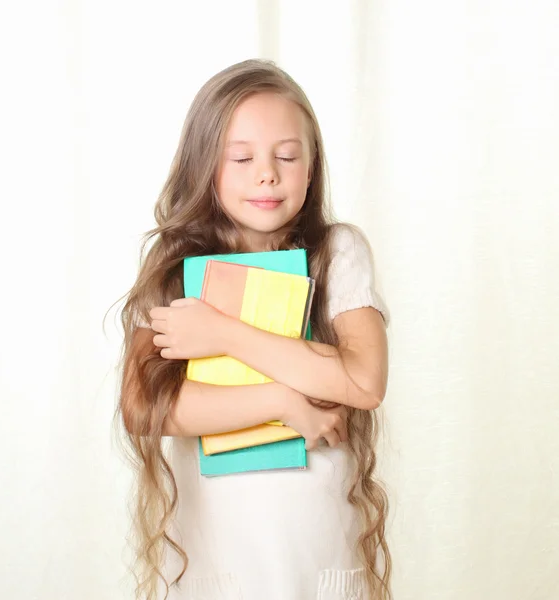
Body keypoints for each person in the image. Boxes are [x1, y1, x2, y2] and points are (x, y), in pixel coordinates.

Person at [117, 58, 392, 600]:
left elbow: (363, 382)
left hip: (315, 536)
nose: (267, 173)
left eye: (287, 156)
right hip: (221, 546)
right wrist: (283, 400)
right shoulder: (176, 264)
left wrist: (223, 334)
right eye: (241, 158)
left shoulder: (337, 252)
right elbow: (146, 408)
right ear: (205, 167)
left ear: (311, 168)